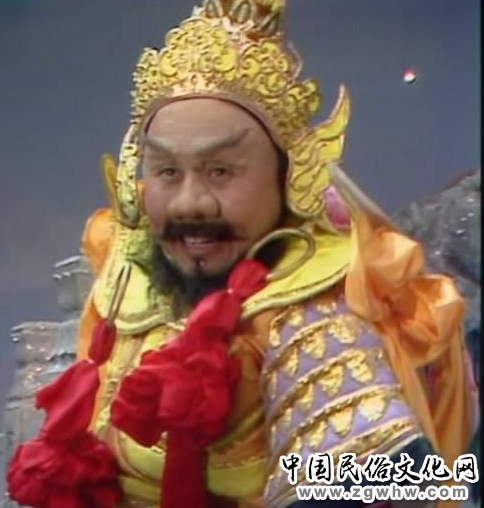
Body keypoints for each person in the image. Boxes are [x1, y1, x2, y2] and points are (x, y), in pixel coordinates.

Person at [7, 1, 476, 508]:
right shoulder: (127, 274)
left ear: (288, 178)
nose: (190, 203)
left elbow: (380, 482)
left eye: (221, 171)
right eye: (167, 172)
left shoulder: (312, 311)